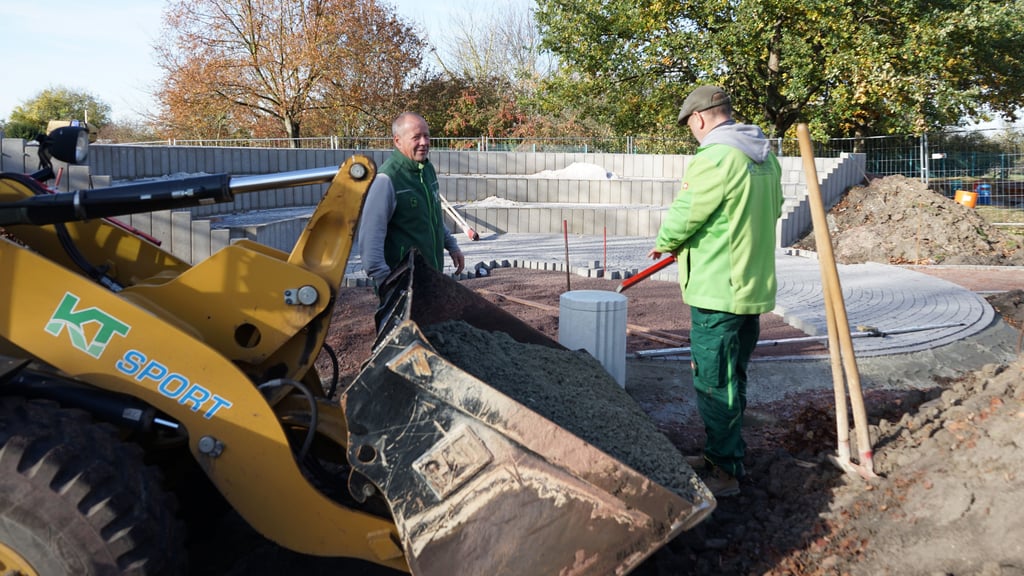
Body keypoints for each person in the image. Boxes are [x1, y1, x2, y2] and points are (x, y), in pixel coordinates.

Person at [647, 86, 783, 497]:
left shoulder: (715, 157)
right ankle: (723, 454)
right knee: (733, 376)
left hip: (717, 291)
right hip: (750, 288)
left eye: (690, 125)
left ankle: (724, 472)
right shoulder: (764, 157)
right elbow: (774, 209)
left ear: (700, 118)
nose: (693, 132)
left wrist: (665, 242)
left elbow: (688, 212)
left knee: (712, 382)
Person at [358, 112, 465, 292]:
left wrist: (452, 246)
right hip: (403, 286)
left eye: (426, 136)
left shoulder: (426, 170)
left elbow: (433, 217)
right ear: (398, 141)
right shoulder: (387, 179)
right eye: (416, 137)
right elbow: (370, 237)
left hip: (430, 278)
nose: (424, 142)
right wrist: (386, 281)